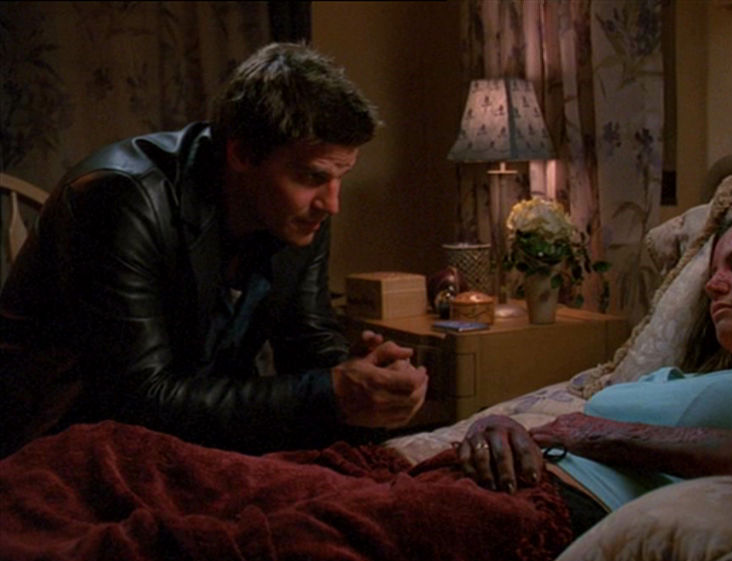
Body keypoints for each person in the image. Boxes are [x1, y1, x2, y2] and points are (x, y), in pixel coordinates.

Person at [0, 42, 428, 458]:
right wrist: (329, 392)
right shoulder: (121, 198)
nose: (332, 204)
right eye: (312, 177)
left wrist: (365, 376)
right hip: (53, 438)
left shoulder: (296, 213)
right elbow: (138, 401)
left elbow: (307, 340)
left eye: (340, 177)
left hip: (194, 437)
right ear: (242, 153)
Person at [456, 202, 732, 537]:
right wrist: (498, 428)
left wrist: (609, 437)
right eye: (713, 272)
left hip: (560, 511)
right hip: (497, 480)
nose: (713, 285)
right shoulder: (670, 380)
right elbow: (563, 431)